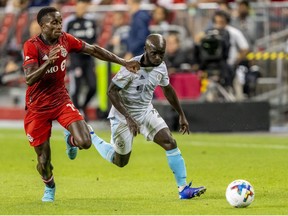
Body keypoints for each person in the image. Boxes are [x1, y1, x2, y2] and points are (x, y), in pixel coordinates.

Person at [22, 6, 139, 202]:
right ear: (42, 26)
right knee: (44, 161)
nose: (59, 26)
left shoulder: (66, 40)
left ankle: (70, 140)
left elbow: (93, 49)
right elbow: (29, 79)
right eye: (54, 23)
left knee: (85, 142)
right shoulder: (32, 46)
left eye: (60, 22)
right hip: (37, 108)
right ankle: (50, 187)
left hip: (60, 100)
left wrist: (123, 62)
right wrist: (47, 63)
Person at [90, 33, 206, 199]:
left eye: (161, 54)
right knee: (120, 161)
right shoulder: (131, 67)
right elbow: (111, 92)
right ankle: (92, 135)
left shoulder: (161, 66)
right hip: (123, 116)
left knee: (170, 142)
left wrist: (181, 114)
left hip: (145, 112)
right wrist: (129, 118)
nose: (158, 58)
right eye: (154, 53)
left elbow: (168, 89)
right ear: (145, 50)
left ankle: (183, 189)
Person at [62, 0, 98, 119]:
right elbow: (64, 40)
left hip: (88, 59)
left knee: (93, 86)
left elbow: (95, 41)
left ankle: (83, 106)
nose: (81, 9)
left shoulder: (91, 21)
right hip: (75, 58)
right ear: (76, 7)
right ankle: (78, 113)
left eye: (83, 7)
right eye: (79, 7)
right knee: (75, 87)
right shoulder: (69, 22)